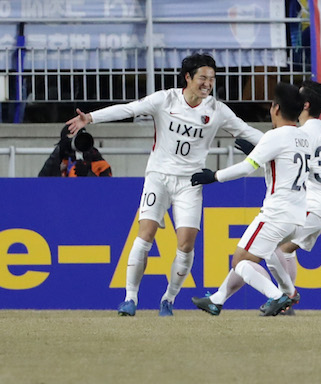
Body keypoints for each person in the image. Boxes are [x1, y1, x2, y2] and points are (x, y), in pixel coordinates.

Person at [65, 53, 264, 317]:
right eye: (202, 78)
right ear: (188, 78)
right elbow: (129, 109)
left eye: (212, 79)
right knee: (145, 234)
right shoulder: (165, 99)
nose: (207, 84)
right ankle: (130, 298)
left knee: (186, 244)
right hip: (158, 176)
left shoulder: (217, 110)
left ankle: (168, 299)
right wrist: (90, 118)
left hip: (191, 182)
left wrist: (287, 142)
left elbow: (248, 132)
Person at [193, 81, 321, 316]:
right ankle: (220, 298)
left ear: (276, 109)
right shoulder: (312, 133)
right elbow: (288, 160)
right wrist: (259, 152)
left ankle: (280, 296)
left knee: (241, 261)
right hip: (299, 211)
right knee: (274, 251)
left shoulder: (281, 135)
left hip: (282, 210)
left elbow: (248, 168)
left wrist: (214, 176)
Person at [38, 125, 112, 178]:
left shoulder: (99, 163)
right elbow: (41, 185)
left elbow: (107, 191)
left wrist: (87, 174)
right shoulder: (58, 160)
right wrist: (57, 157)